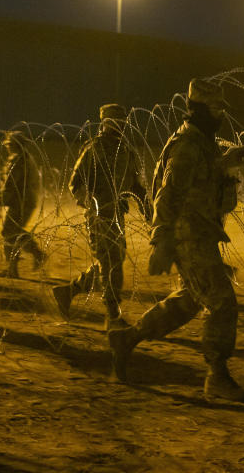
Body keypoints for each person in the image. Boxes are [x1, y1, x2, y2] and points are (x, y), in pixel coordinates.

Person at [107, 79, 244, 402]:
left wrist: (227, 166)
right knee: (221, 300)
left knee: (190, 299)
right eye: (216, 109)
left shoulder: (204, 143)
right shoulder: (187, 145)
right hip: (187, 235)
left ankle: (127, 339)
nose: (221, 115)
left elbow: (213, 188)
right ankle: (217, 376)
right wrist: (161, 241)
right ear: (199, 110)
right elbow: (167, 194)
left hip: (200, 232)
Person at [52, 103, 149, 331]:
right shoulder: (93, 149)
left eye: (123, 122)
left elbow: (134, 184)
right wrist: (92, 204)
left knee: (112, 260)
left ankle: (69, 291)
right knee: (112, 262)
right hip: (98, 217)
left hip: (117, 215)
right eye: (115, 122)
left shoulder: (125, 150)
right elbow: (75, 183)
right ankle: (113, 315)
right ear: (104, 123)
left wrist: (147, 206)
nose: (120, 126)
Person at [0, 130, 45, 278]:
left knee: (10, 232)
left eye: (10, 145)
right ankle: (17, 265)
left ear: (16, 146)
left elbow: (10, 183)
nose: (7, 147)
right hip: (25, 201)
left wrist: (0, 204)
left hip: (21, 202)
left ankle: (28, 259)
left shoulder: (18, 160)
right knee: (13, 231)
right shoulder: (24, 158)